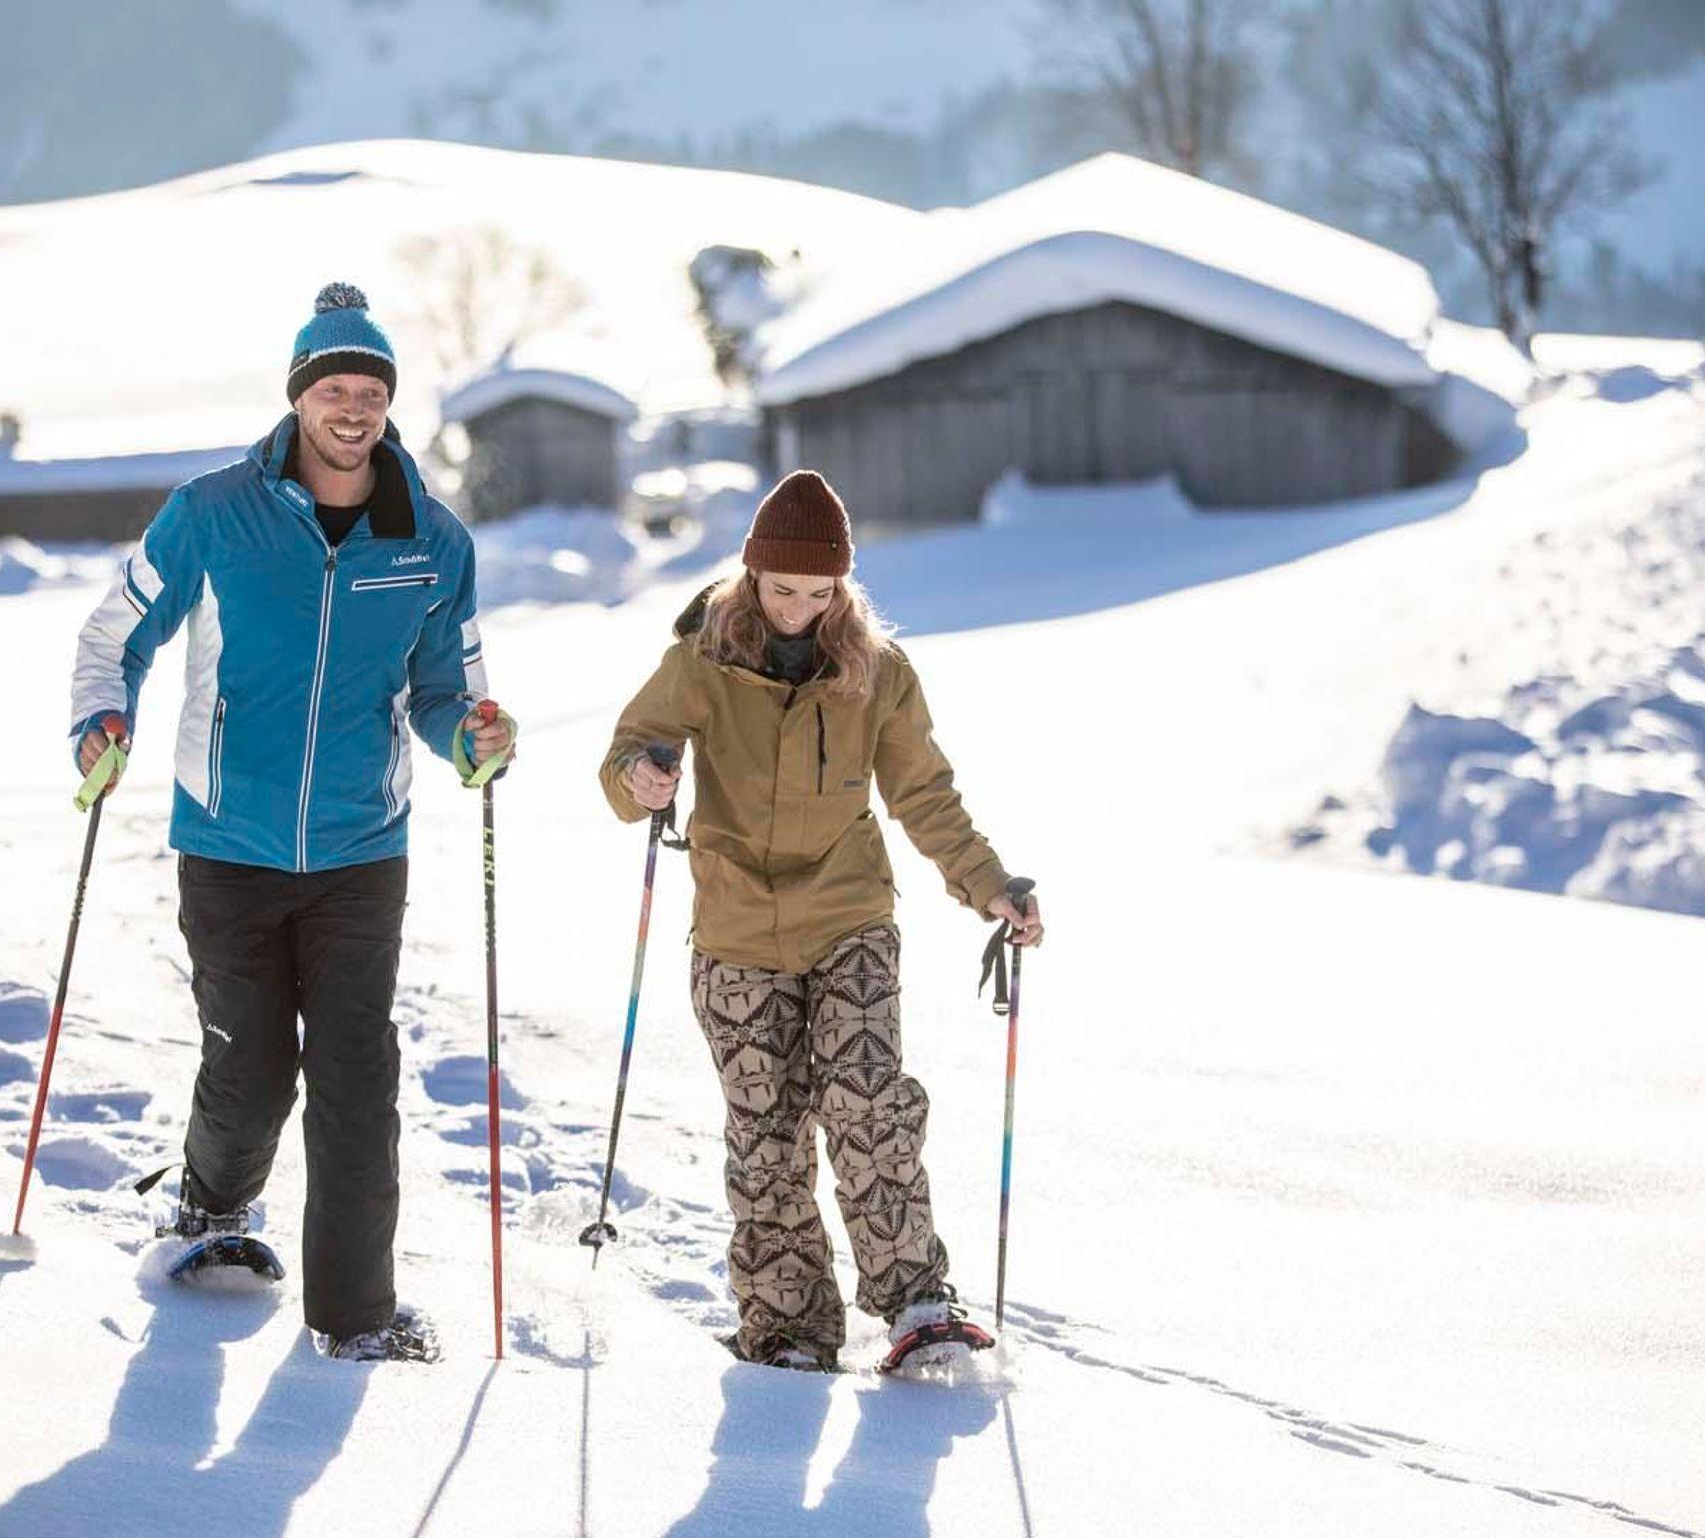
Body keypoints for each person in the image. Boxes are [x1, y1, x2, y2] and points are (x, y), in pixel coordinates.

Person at [68, 282, 514, 1363]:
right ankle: (211, 1207)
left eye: (370, 392)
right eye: (333, 390)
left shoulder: (431, 540)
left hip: (362, 849)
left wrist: (472, 737)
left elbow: (446, 687)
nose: (351, 409)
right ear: (299, 398)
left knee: (358, 1080)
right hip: (228, 841)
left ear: (388, 405)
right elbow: (114, 632)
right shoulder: (212, 512)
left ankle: (356, 1317)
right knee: (253, 1064)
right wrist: (101, 719)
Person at [599, 469, 1044, 1372]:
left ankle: (916, 1299)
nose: (800, 609)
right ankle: (789, 1326)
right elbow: (626, 754)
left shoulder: (877, 671)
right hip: (736, 929)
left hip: (850, 916)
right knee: (766, 1135)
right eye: (782, 589)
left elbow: (924, 795)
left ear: (842, 586)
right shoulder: (702, 659)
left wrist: (989, 884)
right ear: (751, 575)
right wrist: (640, 777)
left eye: (819, 592)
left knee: (868, 1100)